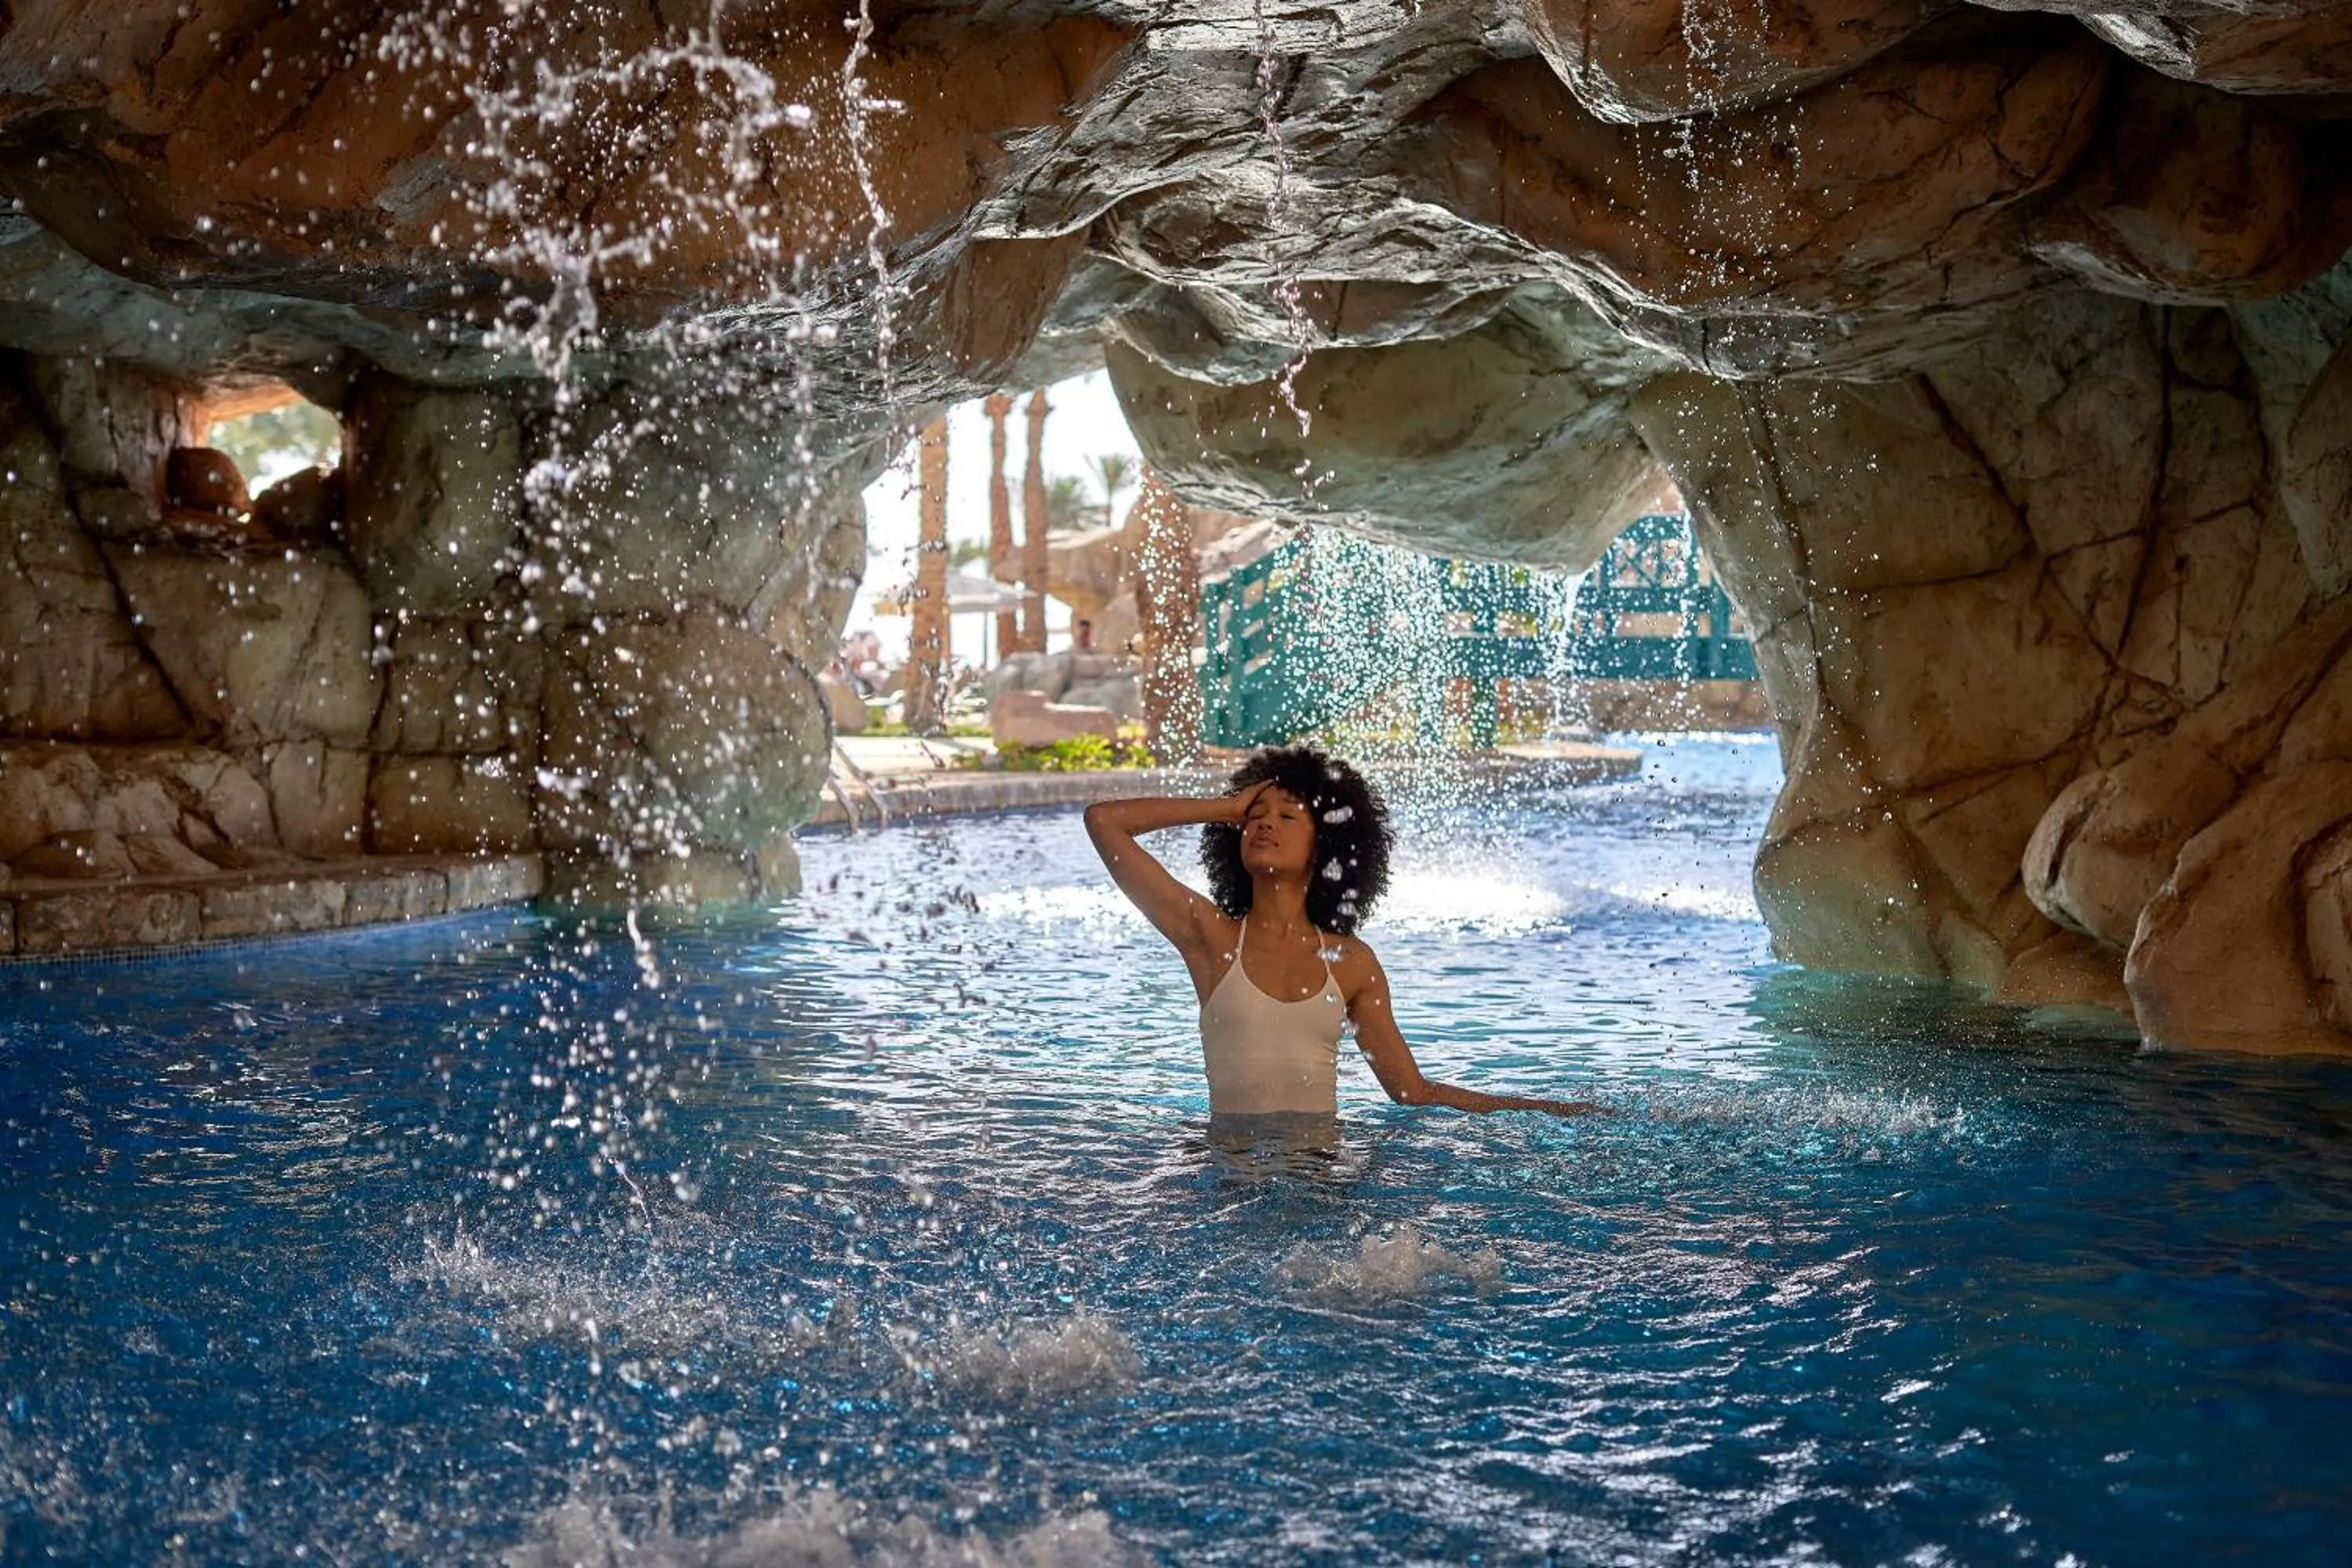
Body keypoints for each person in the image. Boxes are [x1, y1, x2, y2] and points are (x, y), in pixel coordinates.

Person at [1083, 744, 1599, 1127]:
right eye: (1253, 817)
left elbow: (1411, 1092)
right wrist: (1222, 807)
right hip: (1231, 1185)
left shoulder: (1351, 964)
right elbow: (1103, 822)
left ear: (1323, 846)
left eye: (1287, 816)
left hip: (1322, 1185)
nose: (1264, 825)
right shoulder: (1211, 938)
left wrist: (1545, 1110)